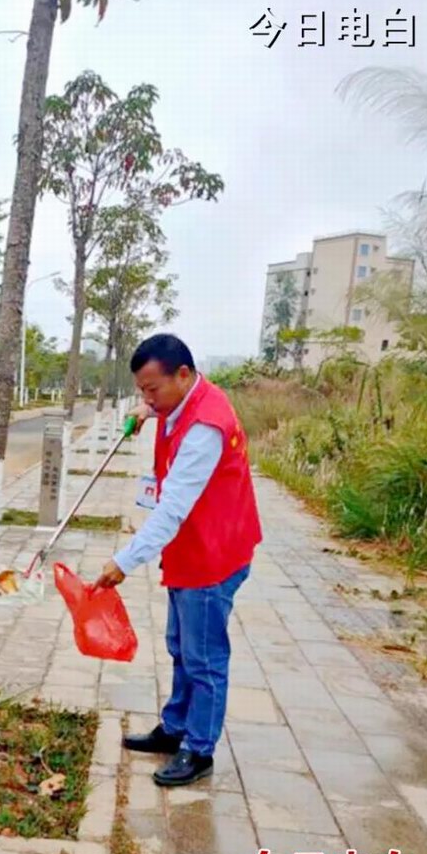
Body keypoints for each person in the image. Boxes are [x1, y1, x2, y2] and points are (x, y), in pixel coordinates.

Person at [94, 334, 262, 788]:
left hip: (214, 552)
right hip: (190, 549)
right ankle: (174, 727)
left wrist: (125, 561)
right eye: (141, 391)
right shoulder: (182, 402)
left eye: (152, 390)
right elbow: (163, 412)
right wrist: (149, 410)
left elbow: (173, 508)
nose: (147, 399)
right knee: (180, 646)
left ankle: (199, 748)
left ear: (183, 375)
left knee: (204, 657)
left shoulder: (206, 426)